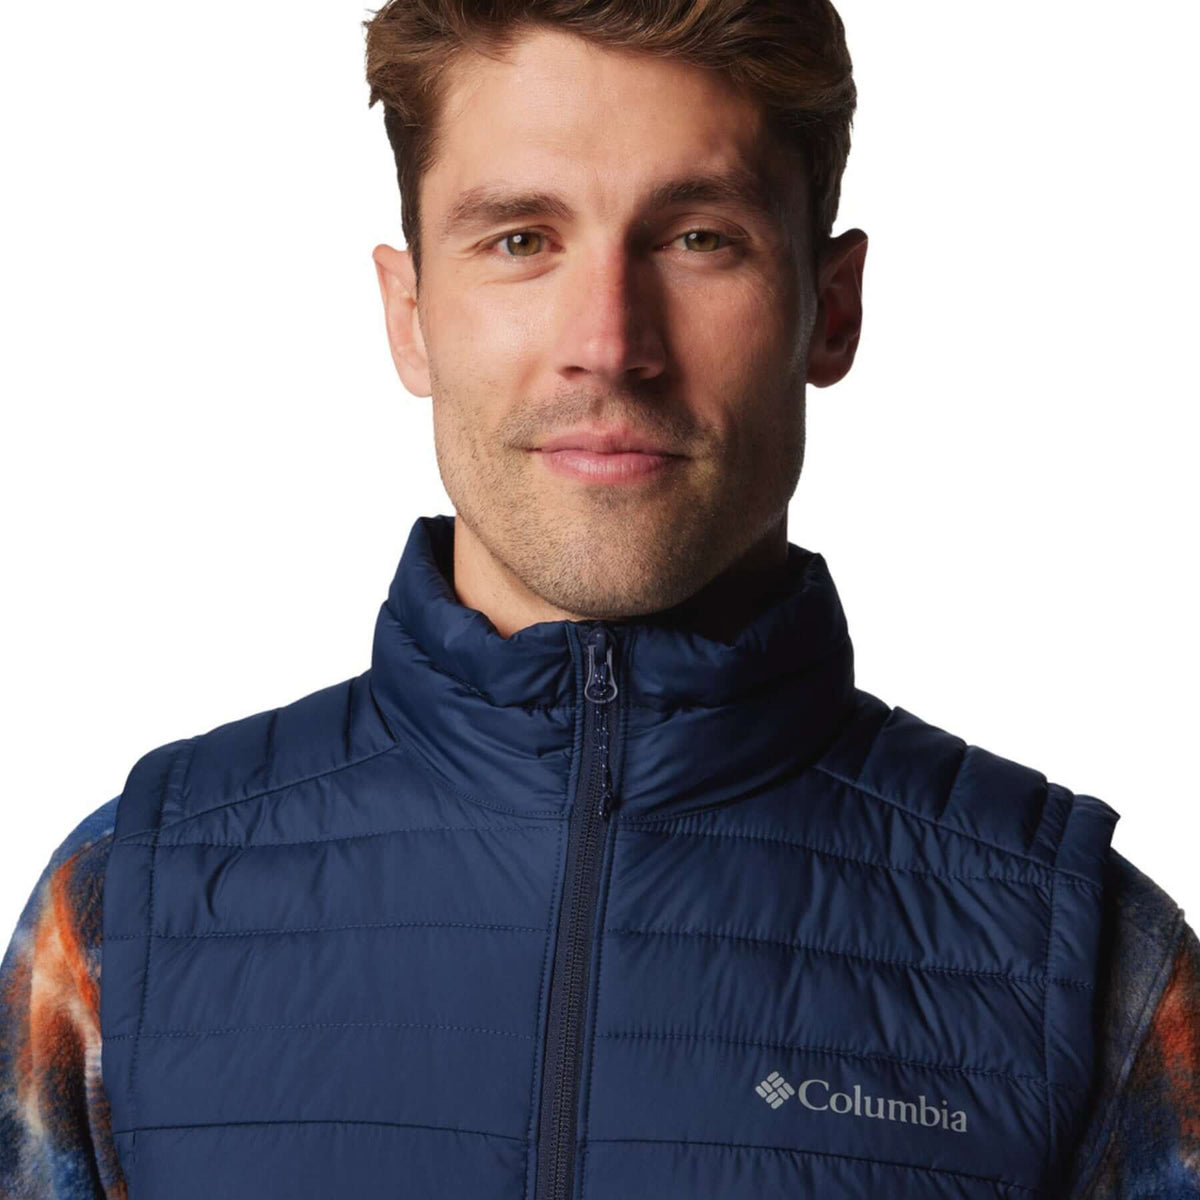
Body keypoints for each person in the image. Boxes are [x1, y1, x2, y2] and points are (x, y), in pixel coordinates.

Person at [1, 1, 1197, 1196]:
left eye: (699, 239)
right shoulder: (117, 920)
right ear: (410, 317)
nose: (610, 343)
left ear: (830, 310)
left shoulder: (1090, 962)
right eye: (521, 239)